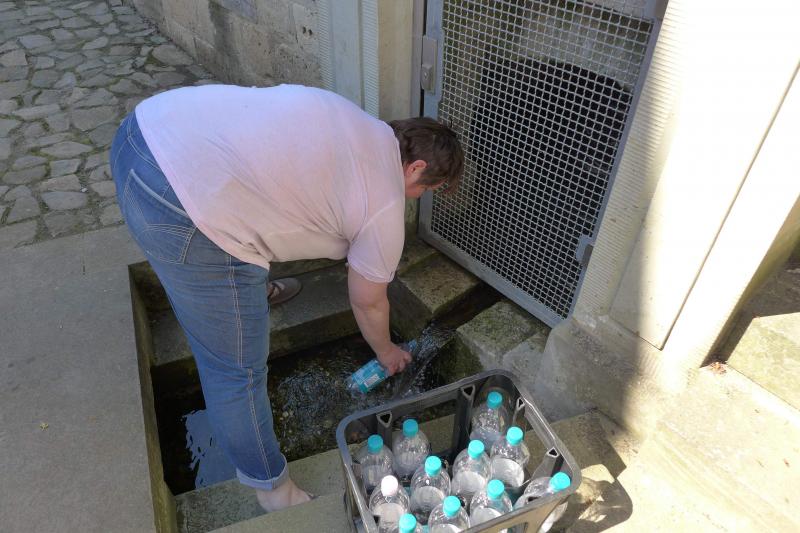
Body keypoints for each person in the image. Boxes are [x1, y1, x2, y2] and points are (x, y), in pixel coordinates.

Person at [109, 84, 464, 512]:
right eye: (427, 188)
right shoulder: (385, 203)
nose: (418, 197)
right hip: (182, 206)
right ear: (415, 168)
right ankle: (273, 490)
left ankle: (249, 291)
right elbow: (368, 300)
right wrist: (386, 351)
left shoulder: (352, 119)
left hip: (142, 131)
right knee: (234, 372)